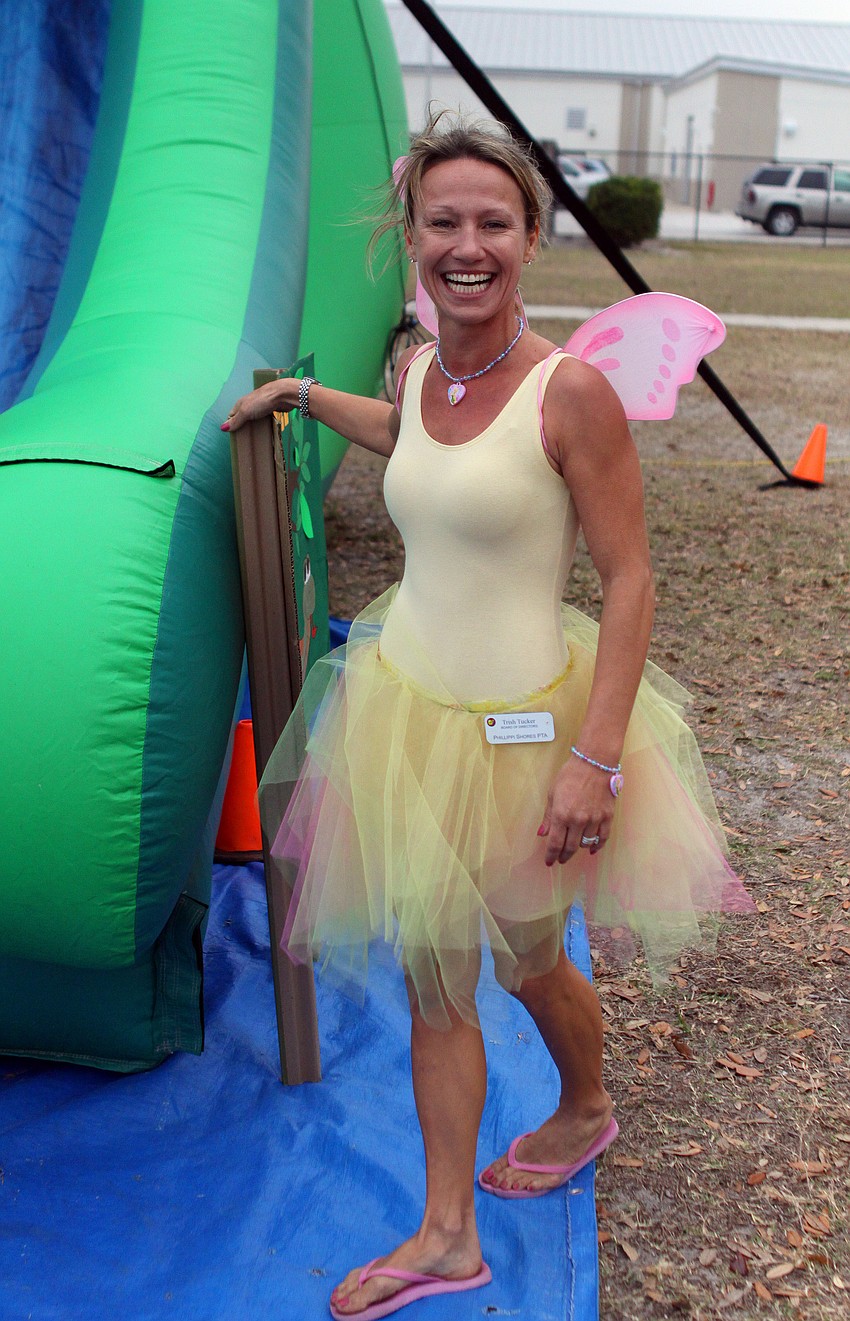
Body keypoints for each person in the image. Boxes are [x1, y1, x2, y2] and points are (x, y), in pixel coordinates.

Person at [223, 114, 747, 1321]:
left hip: (526, 734)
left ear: (529, 238)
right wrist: (302, 395)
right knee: (435, 978)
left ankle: (585, 1105)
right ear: (411, 237)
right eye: (444, 222)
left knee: (526, 958)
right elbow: (409, 438)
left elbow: (630, 581)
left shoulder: (571, 395)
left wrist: (595, 760)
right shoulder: (418, 368)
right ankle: (448, 1232)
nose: (468, 244)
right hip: (405, 712)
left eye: (492, 223)